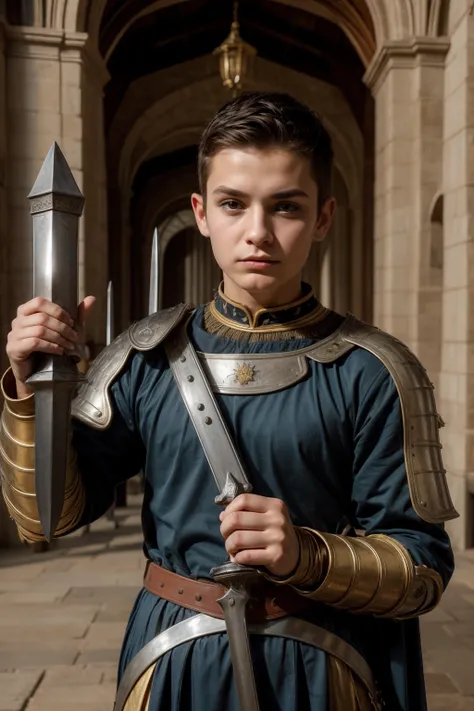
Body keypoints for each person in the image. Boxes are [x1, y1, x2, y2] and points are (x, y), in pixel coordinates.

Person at [0, 92, 457, 711]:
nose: (258, 232)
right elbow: (45, 520)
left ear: (323, 217)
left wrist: (307, 553)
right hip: (172, 664)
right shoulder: (142, 357)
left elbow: (423, 571)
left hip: (318, 671)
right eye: (234, 204)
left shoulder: (375, 370)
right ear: (202, 212)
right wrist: (32, 392)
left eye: (286, 207)